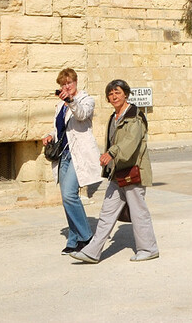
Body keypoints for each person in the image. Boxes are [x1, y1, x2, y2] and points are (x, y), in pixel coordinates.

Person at [71, 79, 159, 263]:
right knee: (106, 213)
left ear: (125, 94)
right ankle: (92, 252)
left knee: (138, 212)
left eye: (117, 92)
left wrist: (111, 153)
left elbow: (130, 142)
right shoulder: (114, 116)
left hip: (133, 172)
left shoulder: (134, 116)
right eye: (110, 94)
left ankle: (148, 248)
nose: (113, 97)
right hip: (117, 173)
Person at [42, 68, 101, 255]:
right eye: (63, 84)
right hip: (63, 156)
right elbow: (59, 130)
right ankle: (74, 239)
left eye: (69, 83)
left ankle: (86, 237)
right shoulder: (59, 106)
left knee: (69, 195)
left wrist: (70, 101)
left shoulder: (85, 100)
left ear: (76, 82)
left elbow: (82, 114)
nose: (66, 86)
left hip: (79, 155)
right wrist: (50, 136)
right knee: (66, 198)